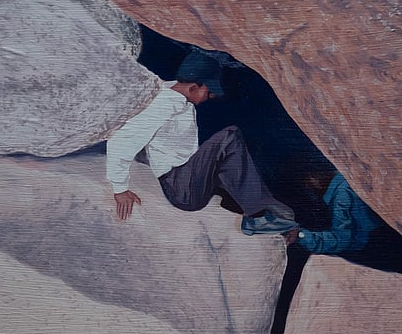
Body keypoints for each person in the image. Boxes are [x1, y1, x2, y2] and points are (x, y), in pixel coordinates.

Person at [106, 51, 298, 236]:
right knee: (230, 137)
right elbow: (121, 140)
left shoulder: (177, 98)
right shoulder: (163, 104)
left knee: (231, 163)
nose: (211, 96)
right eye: (209, 91)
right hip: (179, 189)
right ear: (193, 88)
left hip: (186, 178)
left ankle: (262, 208)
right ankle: (256, 218)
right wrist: (120, 189)